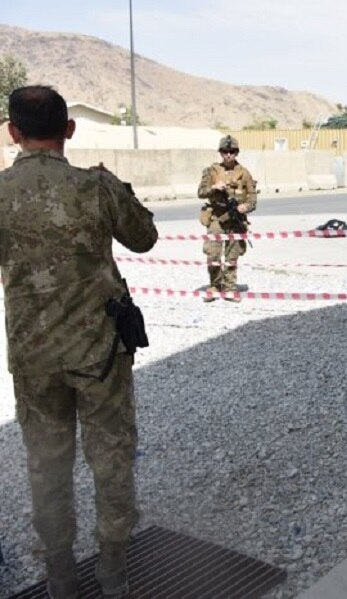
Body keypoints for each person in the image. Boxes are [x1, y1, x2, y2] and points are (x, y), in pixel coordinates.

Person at [0, 85, 158, 599]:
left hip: (34, 359)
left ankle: (61, 578)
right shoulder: (95, 188)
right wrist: (117, 188)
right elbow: (144, 237)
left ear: (13, 132)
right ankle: (114, 571)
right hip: (100, 356)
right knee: (110, 457)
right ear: (69, 130)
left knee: (46, 463)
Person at [197, 135, 257, 303]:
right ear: (221, 153)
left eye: (232, 152)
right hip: (216, 217)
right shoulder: (212, 171)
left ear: (236, 153)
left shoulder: (244, 173)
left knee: (232, 256)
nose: (228, 155)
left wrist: (245, 207)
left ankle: (230, 288)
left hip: (235, 218)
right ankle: (215, 286)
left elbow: (252, 198)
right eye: (225, 151)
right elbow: (200, 192)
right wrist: (213, 188)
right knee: (213, 254)